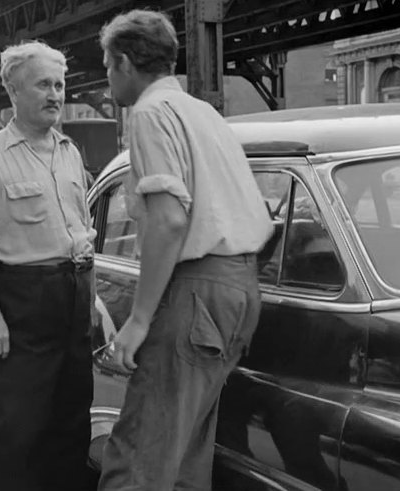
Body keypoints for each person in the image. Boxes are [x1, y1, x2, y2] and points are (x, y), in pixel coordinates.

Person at [97, 10, 274, 491]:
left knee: (139, 457)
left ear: (127, 62)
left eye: (108, 66)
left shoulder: (151, 114)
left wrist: (136, 321)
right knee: (185, 458)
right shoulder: (205, 113)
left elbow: (170, 218)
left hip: (195, 290)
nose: (107, 78)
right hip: (238, 288)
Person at [0, 41, 96, 491]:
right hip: (18, 303)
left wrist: (88, 300)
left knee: (71, 417)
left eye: (60, 84)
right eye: (43, 84)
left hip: (71, 298)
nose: (55, 94)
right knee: (14, 428)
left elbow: (82, 231)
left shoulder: (70, 151)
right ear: (13, 91)